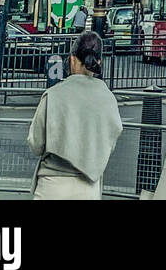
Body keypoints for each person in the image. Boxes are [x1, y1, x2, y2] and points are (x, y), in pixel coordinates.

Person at [26, 31, 123, 199]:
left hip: (52, 184)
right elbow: (111, 141)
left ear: (71, 59)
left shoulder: (54, 95)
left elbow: (36, 144)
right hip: (89, 187)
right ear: (98, 61)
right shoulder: (109, 99)